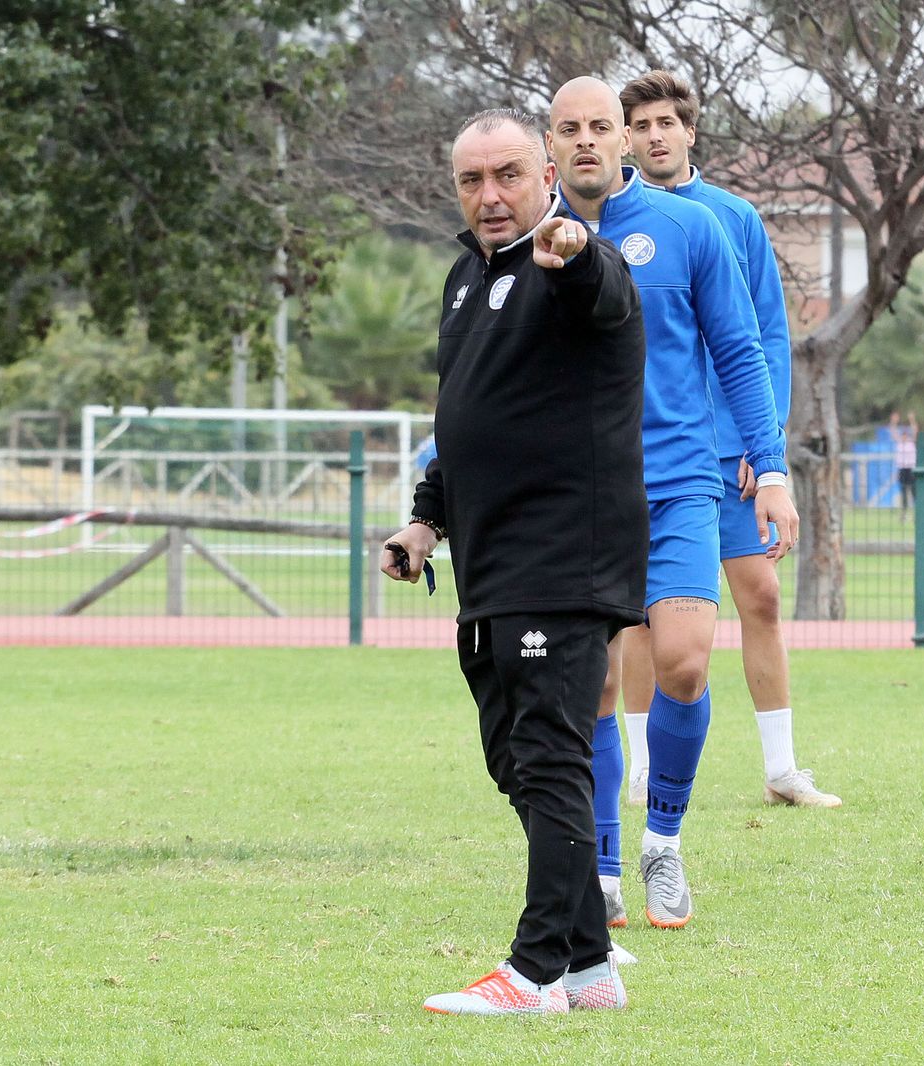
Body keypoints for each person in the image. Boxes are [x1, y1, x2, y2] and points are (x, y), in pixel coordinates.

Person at [382, 107, 646, 1016]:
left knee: (549, 755)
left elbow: (599, 291)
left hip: (565, 555)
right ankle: (589, 965)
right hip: (490, 563)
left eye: (507, 176)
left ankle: (532, 974)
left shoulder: (576, 261)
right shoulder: (465, 277)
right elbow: (466, 416)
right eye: (471, 180)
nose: (490, 197)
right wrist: (426, 523)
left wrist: (570, 248)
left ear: (544, 174)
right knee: (517, 763)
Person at [547, 76, 800, 931]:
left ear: (625, 140)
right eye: (568, 128)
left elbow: (741, 351)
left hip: (683, 484)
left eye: (600, 127)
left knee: (685, 662)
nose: (587, 140)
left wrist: (771, 467)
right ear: (549, 147)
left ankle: (664, 840)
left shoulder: (690, 228)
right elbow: (483, 377)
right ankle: (608, 868)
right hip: (581, 496)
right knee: (596, 688)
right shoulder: (532, 241)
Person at [609, 69, 841, 838]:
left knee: (761, 601)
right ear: (626, 137)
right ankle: (643, 767)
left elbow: (762, 337)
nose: (654, 135)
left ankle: (781, 768)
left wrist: (760, 443)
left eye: (667, 122)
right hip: (650, 457)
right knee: (646, 620)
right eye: (640, 125)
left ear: (690, 131)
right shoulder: (607, 220)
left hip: (731, 455)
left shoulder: (731, 219)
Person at [890, 411, 918, 520]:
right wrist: (893, 422)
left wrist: (912, 420)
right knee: (903, 493)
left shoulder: (911, 443)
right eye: (903, 435)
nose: (905, 437)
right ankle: (903, 514)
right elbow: (893, 432)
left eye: (906, 435)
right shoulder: (899, 443)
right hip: (902, 469)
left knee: (914, 492)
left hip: (911, 469)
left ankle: (917, 513)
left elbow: (915, 430)